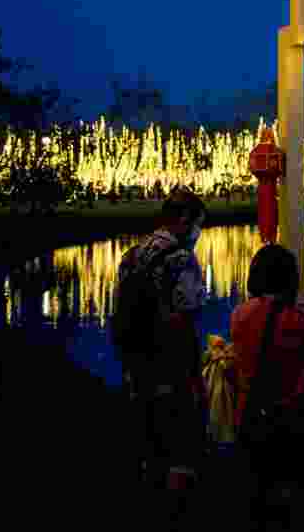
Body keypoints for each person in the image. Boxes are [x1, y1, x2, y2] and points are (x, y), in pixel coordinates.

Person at [231, 244, 304, 531]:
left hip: (251, 419)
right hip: (296, 420)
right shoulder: (301, 318)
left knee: (259, 498)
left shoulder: (240, 314)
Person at [115, 187, 209, 493]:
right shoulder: (181, 259)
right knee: (178, 436)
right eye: (198, 225)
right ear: (183, 220)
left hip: (137, 358)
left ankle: (147, 484)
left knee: (148, 431)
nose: (198, 233)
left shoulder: (131, 255)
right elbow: (186, 316)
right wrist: (195, 372)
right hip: (171, 361)